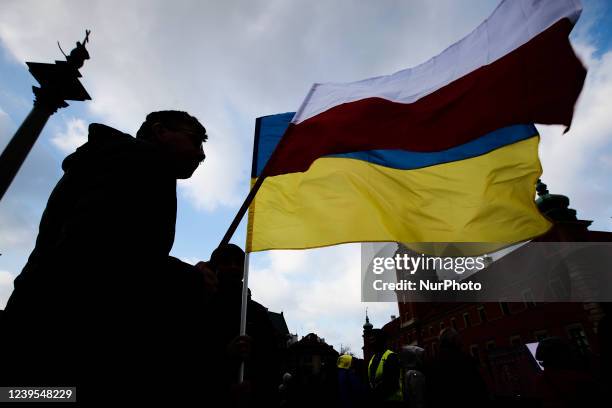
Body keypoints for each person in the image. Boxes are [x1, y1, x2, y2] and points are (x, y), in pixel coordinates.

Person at [0, 111, 217, 401]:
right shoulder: (145, 163)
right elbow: (100, 248)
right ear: (160, 131)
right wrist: (188, 279)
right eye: (195, 140)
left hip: (40, 321)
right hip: (72, 334)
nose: (201, 154)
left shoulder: (112, 160)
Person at [207, 243, 281, 406]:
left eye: (239, 262)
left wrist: (256, 388)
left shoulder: (258, 313)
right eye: (226, 261)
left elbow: (274, 364)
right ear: (214, 266)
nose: (234, 267)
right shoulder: (201, 307)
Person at [426, 328, 489, 408]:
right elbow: (478, 387)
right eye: (458, 338)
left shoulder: (432, 362)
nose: (461, 341)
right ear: (454, 340)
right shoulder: (464, 359)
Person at [366, 329, 403, 406]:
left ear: (380, 340)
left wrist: (374, 396)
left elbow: (392, 383)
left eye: (372, 339)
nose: (370, 343)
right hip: (379, 400)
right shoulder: (373, 357)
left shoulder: (391, 356)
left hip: (392, 401)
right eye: (369, 340)